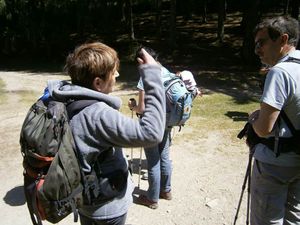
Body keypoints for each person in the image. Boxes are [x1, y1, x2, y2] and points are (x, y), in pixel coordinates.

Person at [43, 42, 166, 225]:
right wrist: (153, 75)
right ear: (98, 83)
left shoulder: (65, 98)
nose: (117, 76)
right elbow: (152, 133)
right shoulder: (98, 114)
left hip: (86, 200)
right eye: (113, 72)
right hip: (107, 208)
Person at [128, 47, 200, 209]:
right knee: (164, 156)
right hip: (168, 121)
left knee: (153, 160)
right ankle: (166, 191)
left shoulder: (145, 76)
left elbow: (141, 108)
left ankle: (152, 199)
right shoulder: (166, 71)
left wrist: (132, 106)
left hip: (151, 123)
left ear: (140, 61)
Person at [248, 16, 300, 224]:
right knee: (294, 218)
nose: (257, 50)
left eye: (261, 43)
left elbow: (263, 129)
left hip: (275, 164)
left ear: (283, 39)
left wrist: (253, 119)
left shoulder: (279, 73)